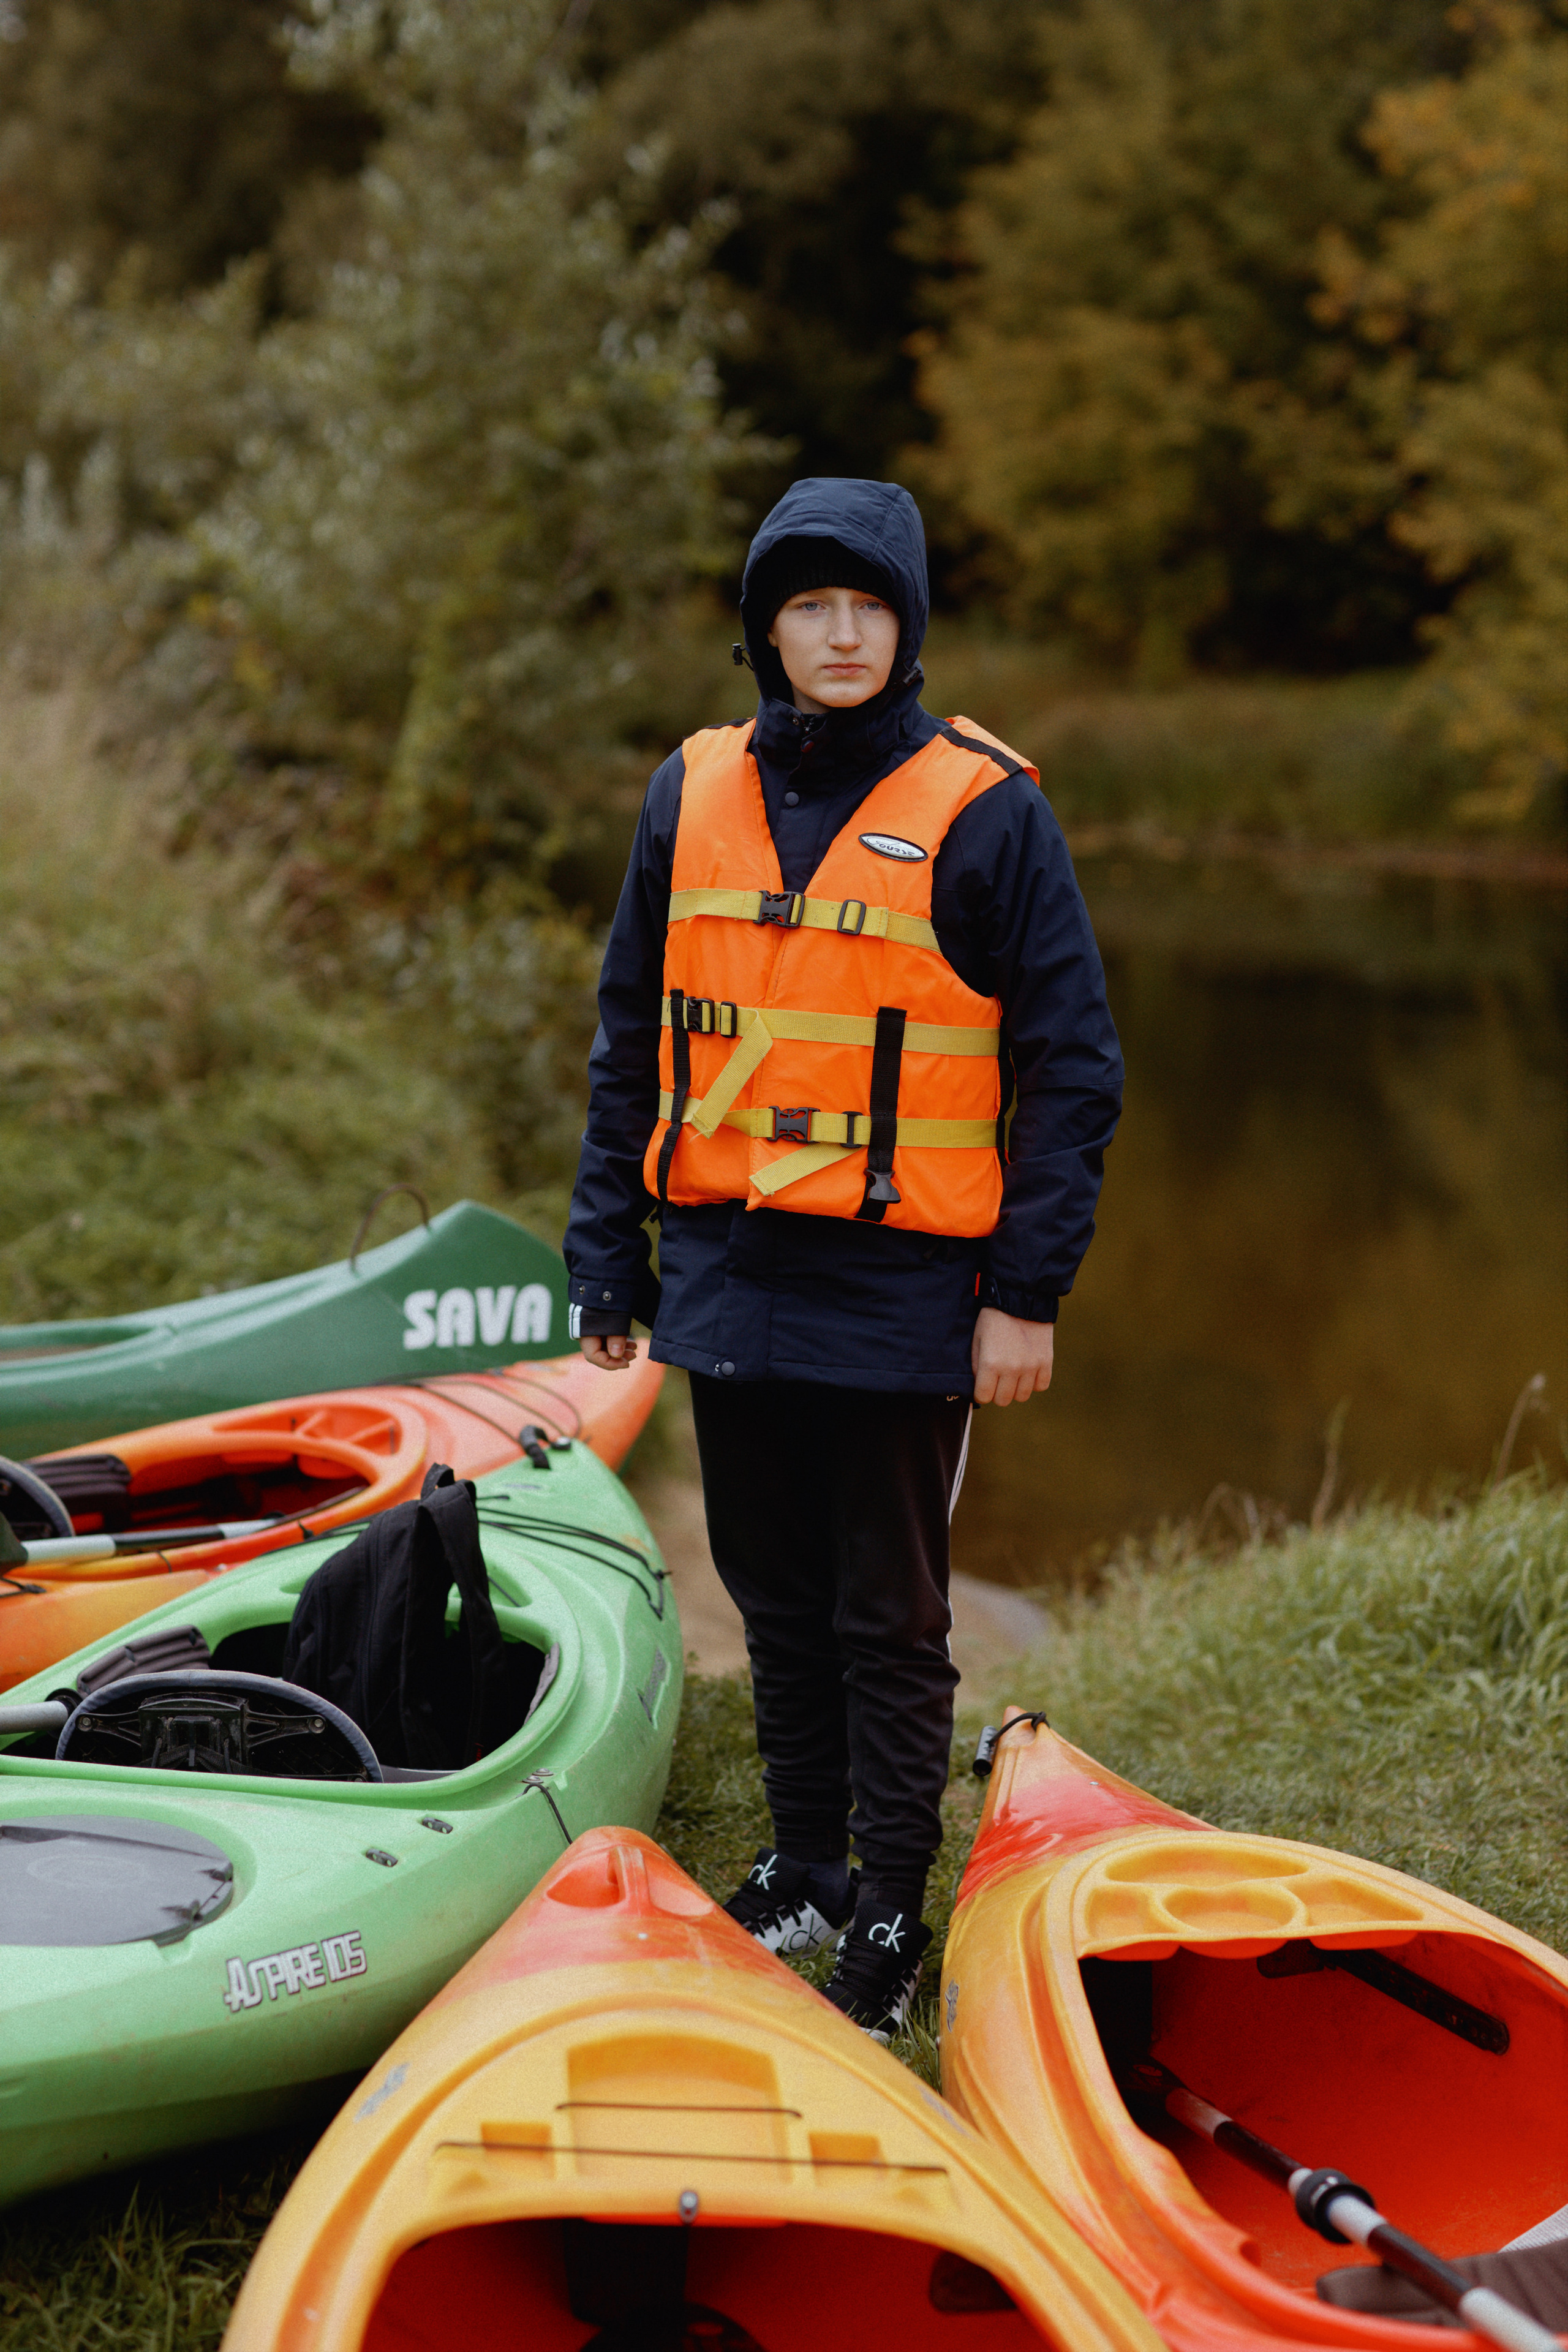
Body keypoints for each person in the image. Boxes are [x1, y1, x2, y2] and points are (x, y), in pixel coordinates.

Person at [564, 476, 1122, 2040]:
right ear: (763, 628)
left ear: (906, 626)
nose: (836, 633)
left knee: (890, 1614)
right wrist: (607, 1254)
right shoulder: (689, 792)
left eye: (864, 606)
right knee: (768, 1589)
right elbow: (632, 1041)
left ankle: (887, 1899)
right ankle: (805, 1861)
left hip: (900, 1293)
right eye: (806, 606)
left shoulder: (988, 807)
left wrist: (1025, 1291)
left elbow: (1073, 1067)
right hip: (729, 1268)